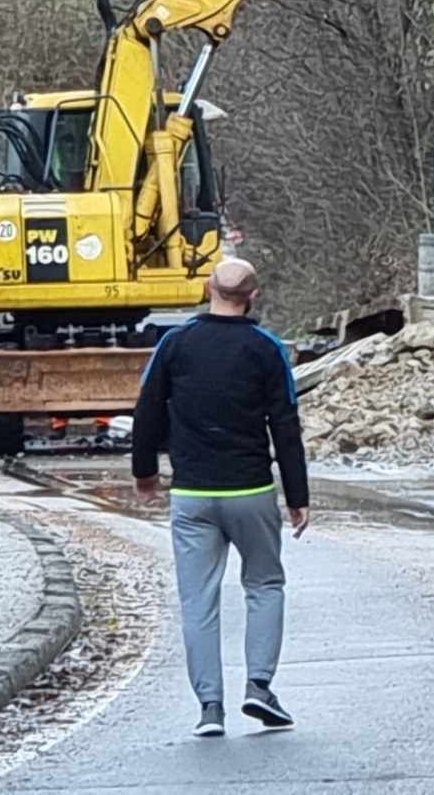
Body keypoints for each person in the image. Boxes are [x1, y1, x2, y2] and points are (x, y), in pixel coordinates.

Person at [131, 257, 310, 739]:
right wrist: (298, 495)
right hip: (251, 490)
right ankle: (259, 686)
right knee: (266, 584)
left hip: (192, 494)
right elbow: (285, 426)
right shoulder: (266, 348)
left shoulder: (174, 344)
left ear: (208, 287)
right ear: (254, 296)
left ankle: (210, 707)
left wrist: (144, 472)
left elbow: (147, 410)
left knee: (198, 602)